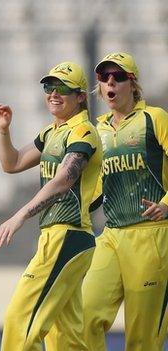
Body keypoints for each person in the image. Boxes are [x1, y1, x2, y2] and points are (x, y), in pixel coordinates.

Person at [0, 61, 101, 351]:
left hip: (68, 235)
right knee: (66, 338)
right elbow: (11, 163)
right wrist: (3, 130)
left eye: (62, 88)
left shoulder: (83, 131)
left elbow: (65, 179)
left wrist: (20, 215)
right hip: (63, 238)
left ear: (80, 97)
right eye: (49, 87)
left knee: (19, 323)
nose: (53, 93)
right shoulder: (52, 132)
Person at [82, 52, 168, 351]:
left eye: (117, 76)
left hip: (152, 234)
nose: (110, 82)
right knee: (84, 315)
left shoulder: (153, 118)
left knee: (143, 338)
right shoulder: (99, 128)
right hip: (112, 235)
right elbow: (96, 185)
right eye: (104, 77)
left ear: (132, 84)